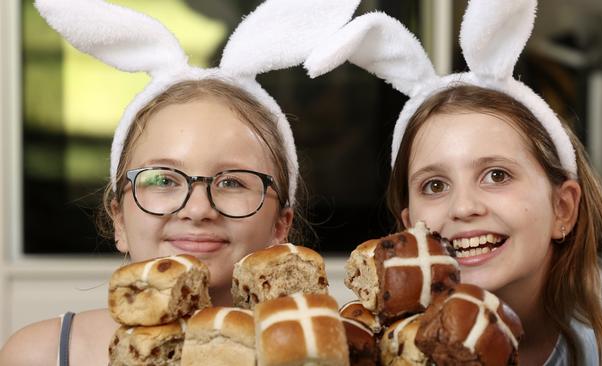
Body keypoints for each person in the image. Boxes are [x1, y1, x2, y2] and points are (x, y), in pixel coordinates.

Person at [0, 0, 360, 365]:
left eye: (233, 183)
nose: (198, 208)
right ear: (119, 219)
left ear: (280, 226)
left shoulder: (331, 352)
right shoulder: (40, 353)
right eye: (163, 179)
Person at [304, 0, 602, 364]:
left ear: (562, 208)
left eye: (496, 176)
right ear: (409, 230)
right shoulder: (397, 340)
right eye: (435, 186)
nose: (464, 207)